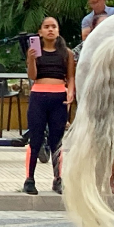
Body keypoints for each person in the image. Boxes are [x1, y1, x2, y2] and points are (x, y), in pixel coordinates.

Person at [73, 12, 114, 195]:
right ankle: (90, 181)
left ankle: (110, 180)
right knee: (92, 141)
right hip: (93, 102)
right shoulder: (86, 48)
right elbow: (73, 67)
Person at [23, 17, 75, 195]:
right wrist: (30, 60)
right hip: (38, 95)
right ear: (40, 32)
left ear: (58, 30)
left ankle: (58, 179)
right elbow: (33, 75)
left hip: (58, 96)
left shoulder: (66, 53)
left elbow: (70, 76)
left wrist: (71, 92)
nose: (50, 30)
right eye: (46, 27)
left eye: (54, 26)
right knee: (35, 139)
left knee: (57, 140)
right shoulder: (35, 51)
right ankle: (29, 179)